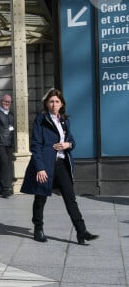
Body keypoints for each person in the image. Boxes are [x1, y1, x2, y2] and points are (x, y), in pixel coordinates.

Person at [20, 88, 99, 245]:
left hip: (62, 165)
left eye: (57, 101)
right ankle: (38, 228)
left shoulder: (64, 121)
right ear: (46, 103)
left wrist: (67, 144)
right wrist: (40, 168)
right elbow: (35, 145)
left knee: (71, 198)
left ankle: (81, 231)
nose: (54, 104)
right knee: (40, 198)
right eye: (51, 101)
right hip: (45, 165)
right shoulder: (41, 119)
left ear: (62, 104)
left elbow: (72, 142)